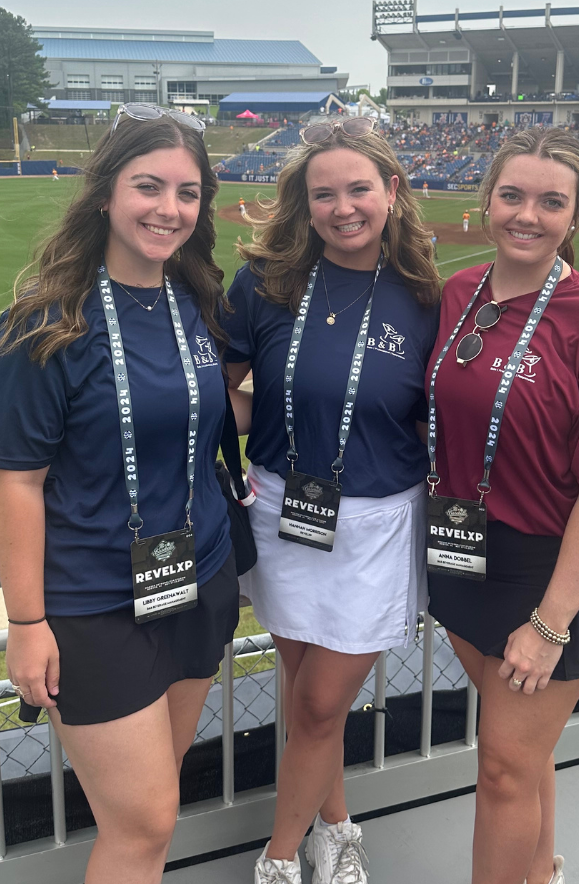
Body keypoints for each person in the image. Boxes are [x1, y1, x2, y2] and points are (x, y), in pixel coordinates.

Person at [0, 104, 239, 884]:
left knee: (155, 809)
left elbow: (198, 417)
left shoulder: (197, 304)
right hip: (93, 603)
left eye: (188, 193)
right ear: (105, 193)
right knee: (142, 820)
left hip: (198, 580)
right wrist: (26, 623)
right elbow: (17, 484)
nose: (169, 209)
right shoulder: (43, 325)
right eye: (149, 186)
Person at [428, 128, 579, 884]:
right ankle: (540, 874)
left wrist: (550, 626)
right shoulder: (460, 293)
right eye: (513, 195)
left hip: (553, 573)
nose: (527, 214)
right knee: (522, 758)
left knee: (501, 772)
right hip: (465, 554)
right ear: (486, 202)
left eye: (551, 202)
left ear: (574, 217)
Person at [224, 116, 441, 884]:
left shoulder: (425, 295)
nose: (342, 207)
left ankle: (278, 860)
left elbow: (427, 415)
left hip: (378, 520)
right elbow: (218, 398)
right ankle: (339, 829)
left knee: (319, 704)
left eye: (358, 189)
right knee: (309, 696)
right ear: (304, 202)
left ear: (391, 191)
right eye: (325, 194)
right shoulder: (263, 283)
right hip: (284, 510)